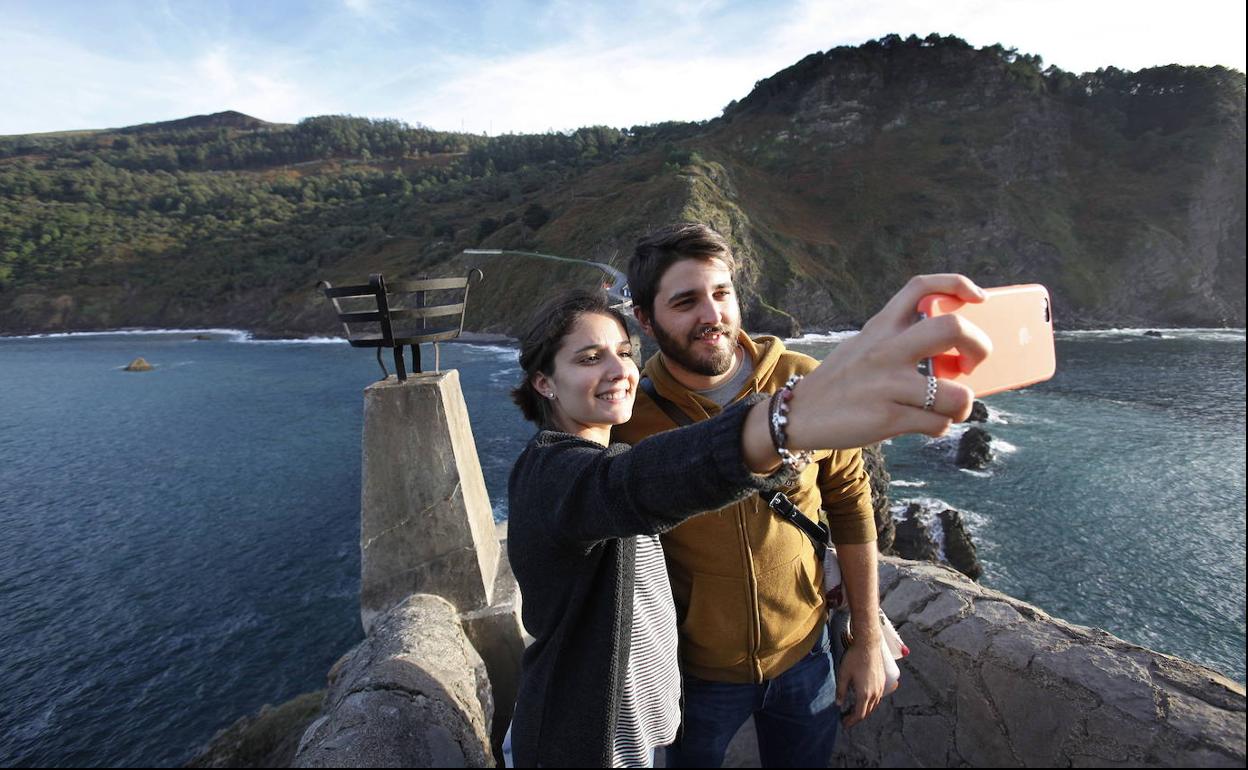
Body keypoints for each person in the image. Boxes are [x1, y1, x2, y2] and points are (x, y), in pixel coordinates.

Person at [506, 276, 989, 768]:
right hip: (580, 741)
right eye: (589, 359)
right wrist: (786, 420)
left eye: (624, 352)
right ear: (544, 382)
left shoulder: (608, 451)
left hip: (640, 733)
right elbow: (640, 481)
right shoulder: (553, 476)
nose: (618, 370)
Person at [612, 223, 893, 767]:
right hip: (694, 676)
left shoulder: (803, 383)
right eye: (686, 301)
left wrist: (866, 641)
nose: (712, 315)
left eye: (721, 294)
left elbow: (851, 506)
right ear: (645, 319)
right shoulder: (629, 420)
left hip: (806, 656)